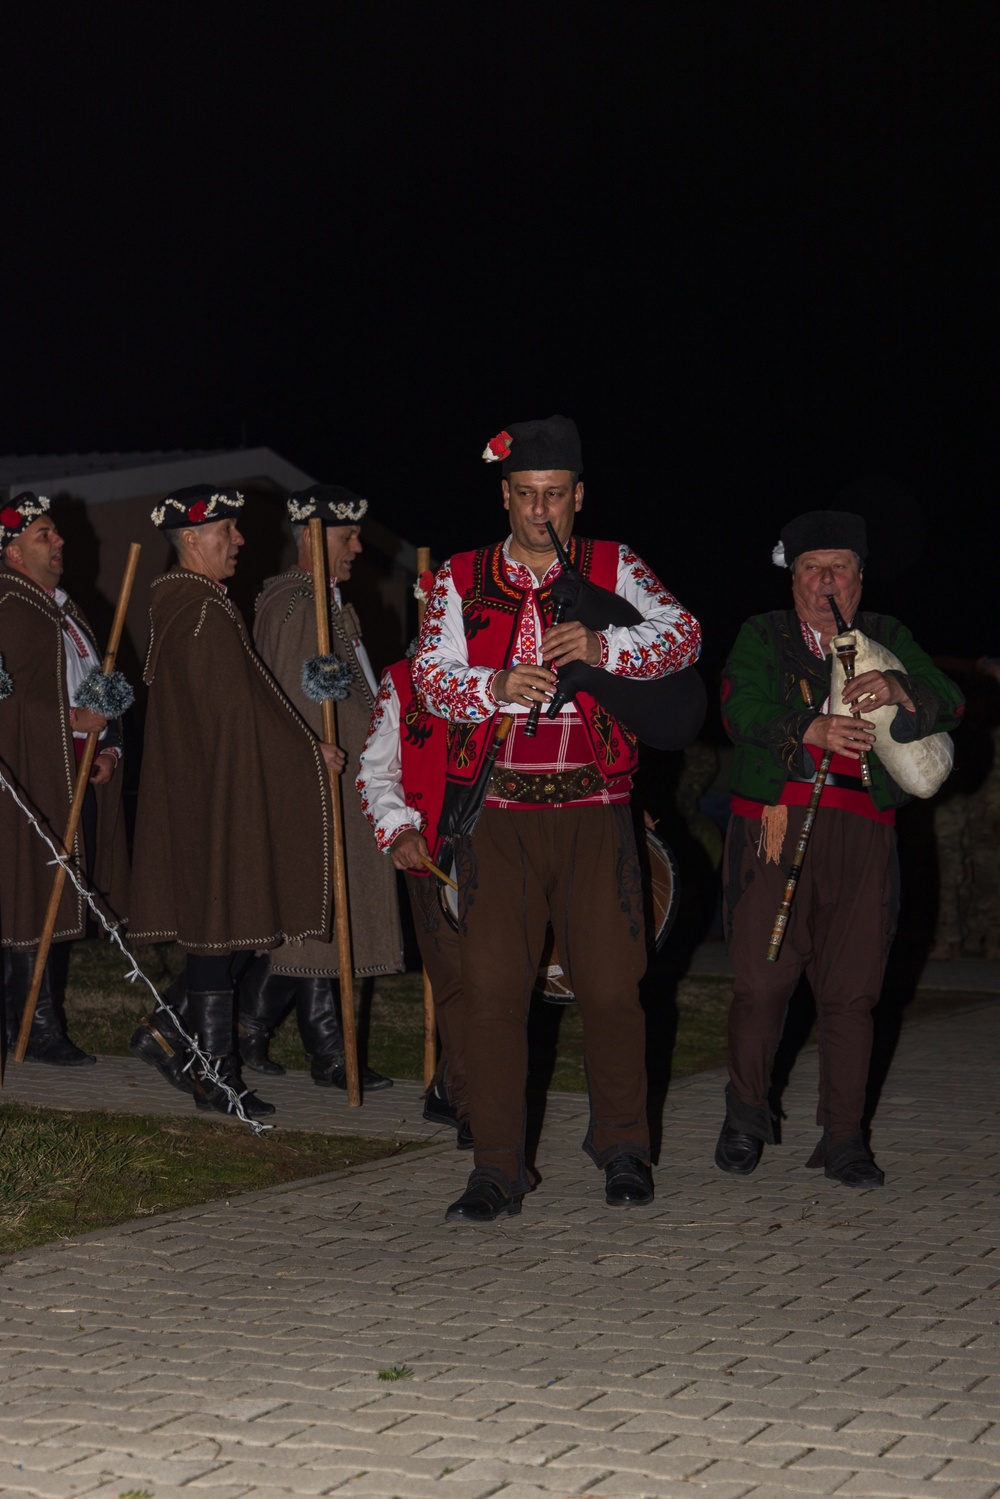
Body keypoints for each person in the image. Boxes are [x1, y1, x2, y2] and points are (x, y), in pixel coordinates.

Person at [412, 415, 702, 1222]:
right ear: (505, 497)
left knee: (614, 991)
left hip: (596, 809)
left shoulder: (617, 564)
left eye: (556, 496)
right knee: (495, 992)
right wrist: (495, 687)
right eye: (527, 496)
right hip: (498, 818)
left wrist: (607, 647)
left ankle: (622, 1147)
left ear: (580, 497)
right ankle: (496, 1168)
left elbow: (685, 637)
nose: (542, 512)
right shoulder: (460, 577)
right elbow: (431, 679)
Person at [716, 510, 964, 1187]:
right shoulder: (761, 635)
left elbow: (950, 698)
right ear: (793, 578)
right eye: (811, 568)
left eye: (840, 568)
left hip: (863, 831)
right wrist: (810, 728)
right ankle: (745, 1111)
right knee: (763, 977)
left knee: (853, 989)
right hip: (776, 824)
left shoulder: (888, 635)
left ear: (859, 578)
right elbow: (740, 711)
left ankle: (845, 1137)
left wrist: (900, 687)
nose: (826, 580)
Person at [127, 485, 344, 1116]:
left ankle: (187, 1050)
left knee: (228, 928)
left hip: (207, 790)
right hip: (215, 794)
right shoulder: (199, 611)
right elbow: (234, 714)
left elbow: (238, 708)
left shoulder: (193, 605)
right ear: (192, 540)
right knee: (221, 929)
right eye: (227, 531)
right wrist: (309, 754)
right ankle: (215, 1074)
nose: (240, 541)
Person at [240, 484, 400, 1091]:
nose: (358, 547)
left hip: (343, 784)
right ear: (313, 538)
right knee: (318, 920)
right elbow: (280, 703)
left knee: (328, 919)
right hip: (314, 789)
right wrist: (309, 758)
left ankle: (253, 1030)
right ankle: (328, 1054)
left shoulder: (331, 605)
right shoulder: (293, 606)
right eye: (346, 536)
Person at [0, 493, 128, 1064]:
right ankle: (34, 1026)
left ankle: (38, 1019)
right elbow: (7, 702)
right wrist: (68, 720)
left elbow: (100, 687)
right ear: (12, 552)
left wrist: (110, 748)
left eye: (55, 532)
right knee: (33, 894)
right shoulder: (8, 606)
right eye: (43, 535)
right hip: (29, 776)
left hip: (76, 769)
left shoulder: (67, 610)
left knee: (59, 891)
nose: (59, 542)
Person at [357, 645, 471, 1145]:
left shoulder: (515, 671)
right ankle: (473, 1103)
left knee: (499, 978)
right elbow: (376, 771)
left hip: (508, 848)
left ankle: (453, 1087)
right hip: (431, 855)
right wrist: (399, 831)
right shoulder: (403, 679)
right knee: (459, 981)